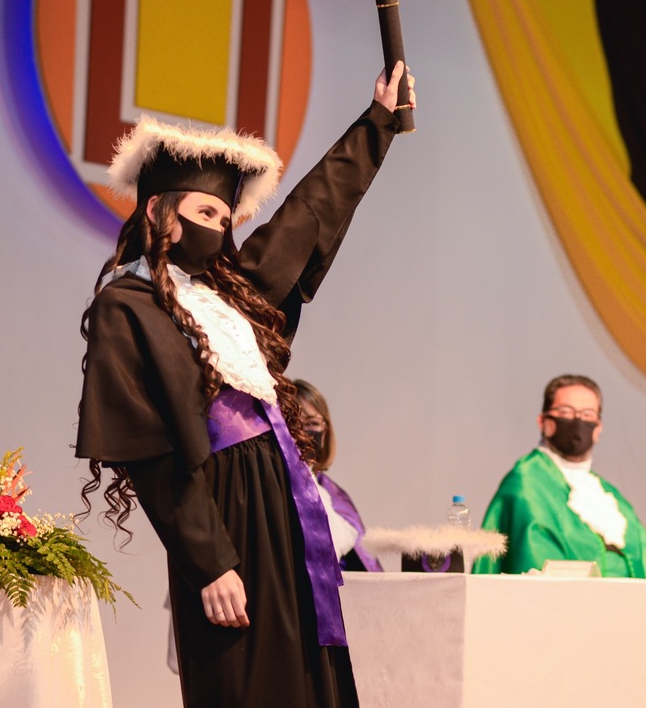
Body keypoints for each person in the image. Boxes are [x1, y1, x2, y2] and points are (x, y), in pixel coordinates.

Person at [76, 62, 412, 708]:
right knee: (246, 685)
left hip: (283, 503)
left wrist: (379, 123)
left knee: (304, 682)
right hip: (225, 514)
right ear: (159, 211)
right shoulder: (129, 307)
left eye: (227, 216)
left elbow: (309, 213)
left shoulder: (232, 298)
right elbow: (151, 454)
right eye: (206, 210)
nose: (220, 226)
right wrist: (208, 561)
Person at [472, 374, 646, 579]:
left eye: (587, 414)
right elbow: (536, 560)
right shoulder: (527, 480)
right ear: (543, 421)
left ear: (598, 428)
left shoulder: (607, 494)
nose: (578, 421)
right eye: (566, 412)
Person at [295, 379, 383, 573]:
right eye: (295, 423)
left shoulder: (333, 494)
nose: (302, 432)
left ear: (325, 430)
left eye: (312, 423)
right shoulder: (278, 487)